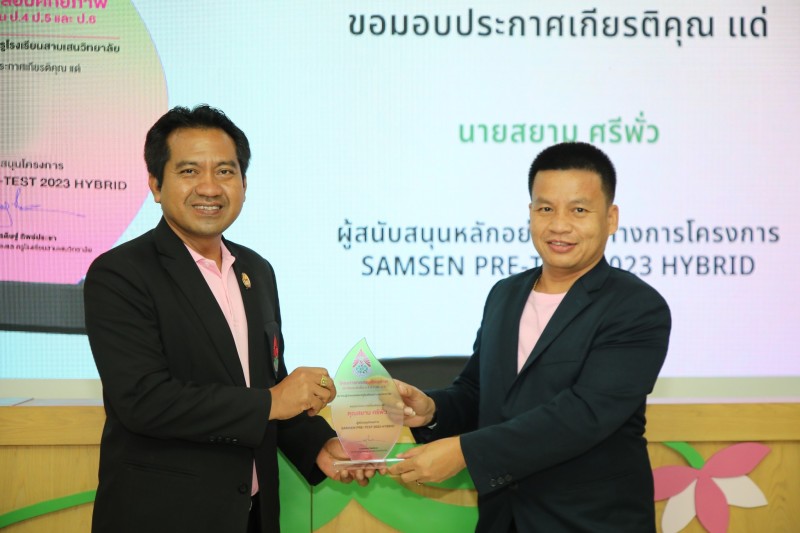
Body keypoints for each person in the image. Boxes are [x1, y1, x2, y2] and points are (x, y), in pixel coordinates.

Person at [84, 105, 367, 533]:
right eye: (189, 171)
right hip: (164, 517)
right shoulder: (121, 273)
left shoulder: (257, 270)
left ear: (244, 184)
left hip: (252, 515)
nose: (210, 187)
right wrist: (273, 401)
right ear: (156, 184)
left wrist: (320, 446)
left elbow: (266, 384)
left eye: (225, 171)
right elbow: (143, 400)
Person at [389, 142, 671, 532]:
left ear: (611, 218)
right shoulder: (505, 294)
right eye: (545, 209)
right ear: (530, 214)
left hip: (589, 522)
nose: (559, 225)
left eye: (579, 210)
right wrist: (432, 410)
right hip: (503, 520)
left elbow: (583, 415)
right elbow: (478, 392)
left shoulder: (636, 307)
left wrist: (465, 452)